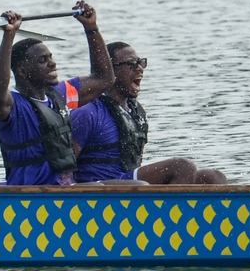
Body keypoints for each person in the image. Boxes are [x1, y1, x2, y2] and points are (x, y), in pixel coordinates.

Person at [0, 2, 114, 185]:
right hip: (30, 194)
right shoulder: (12, 106)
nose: (53, 64)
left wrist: (91, 28)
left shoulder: (60, 94)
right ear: (22, 71)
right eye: (42, 60)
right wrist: (9, 35)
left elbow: (104, 79)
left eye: (51, 58)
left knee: (136, 186)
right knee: (137, 186)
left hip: (66, 190)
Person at [71, 42, 227, 184]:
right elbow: (63, 165)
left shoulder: (135, 111)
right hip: (100, 188)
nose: (139, 68)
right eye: (131, 64)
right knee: (182, 167)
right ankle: (170, 207)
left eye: (141, 63)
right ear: (109, 71)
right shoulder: (87, 112)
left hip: (130, 182)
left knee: (214, 177)